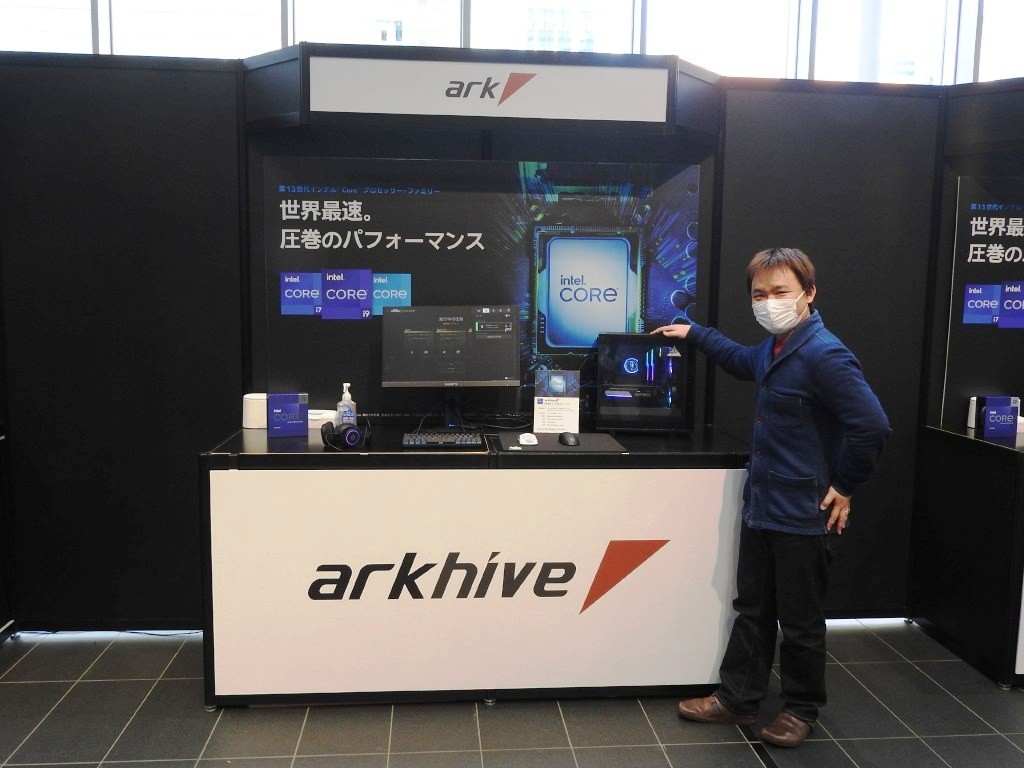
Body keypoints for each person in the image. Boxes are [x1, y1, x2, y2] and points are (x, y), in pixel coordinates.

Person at [651, 247, 890, 748]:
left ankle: (801, 710)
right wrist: (694, 334)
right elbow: (741, 359)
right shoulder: (774, 348)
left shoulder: (825, 354)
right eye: (760, 294)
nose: (769, 302)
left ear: (809, 293)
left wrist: (845, 485)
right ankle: (737, 700)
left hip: (804, 514)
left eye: (780, 291)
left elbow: (871, 425)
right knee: (753, 610)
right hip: (762, 508)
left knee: (800, 621)